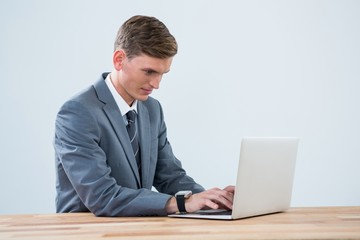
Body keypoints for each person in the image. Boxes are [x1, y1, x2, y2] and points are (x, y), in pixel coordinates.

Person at [54, 15, 235, 217]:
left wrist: (213, 200)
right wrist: (183, 203)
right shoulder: (78, 112)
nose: (156, 84)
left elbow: (170, 176)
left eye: (162, 74)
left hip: (139, 228)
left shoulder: (152, 109)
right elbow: (102, 197)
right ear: (119, 60)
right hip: (89, 231)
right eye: (149, 71)